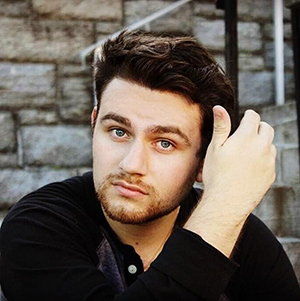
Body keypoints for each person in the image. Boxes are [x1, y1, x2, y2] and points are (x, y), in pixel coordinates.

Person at [0, 30, 299, 301]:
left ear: (204, 163)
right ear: (94, 125)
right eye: (119, 131)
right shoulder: (38, 227)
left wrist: (224, 214)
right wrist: (222, 211)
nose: (131, 164)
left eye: (165, 143)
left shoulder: (247, 242)